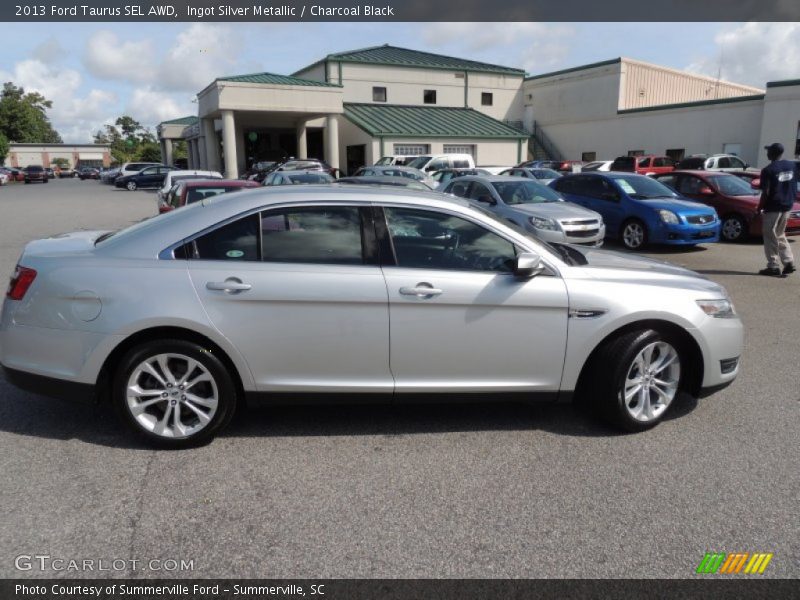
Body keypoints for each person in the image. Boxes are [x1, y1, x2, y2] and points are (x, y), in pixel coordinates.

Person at [757, 143, 797, 276]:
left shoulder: (768, 170)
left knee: (769, 235)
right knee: (780, 234)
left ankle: (773, 266)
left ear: (772, 154)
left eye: (768, 151)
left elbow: (766, 192)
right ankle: (789, 262)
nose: (767, 153)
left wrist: (759, 208)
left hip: (773, 207)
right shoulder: (792, 166)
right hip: (787, 206)